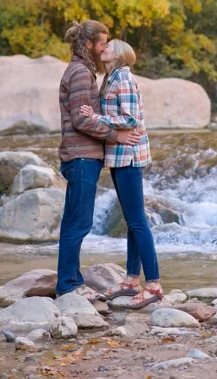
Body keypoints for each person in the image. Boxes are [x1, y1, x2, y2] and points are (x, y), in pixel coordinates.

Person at [53, 19, 143, 301]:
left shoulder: (83, 71)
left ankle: (70, 281)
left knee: (75, 221)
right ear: (89, 45)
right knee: (78, 223)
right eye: (102, 43)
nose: (105, 47)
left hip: (84, 155)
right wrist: (116, 136)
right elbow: (81, 119)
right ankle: (68, 285)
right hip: (80, 156)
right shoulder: (80, 73)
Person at [77, 38, 160, 308]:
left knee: (137, 221)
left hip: (130, 156)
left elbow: (131, 118)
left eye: (110, 46)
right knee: (131, 220)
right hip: (119, 156)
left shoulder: (123, 79)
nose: (105, 48)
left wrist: (96, 117)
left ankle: (154, 285)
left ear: (120, 53)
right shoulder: (111, 78)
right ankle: (131, 280)